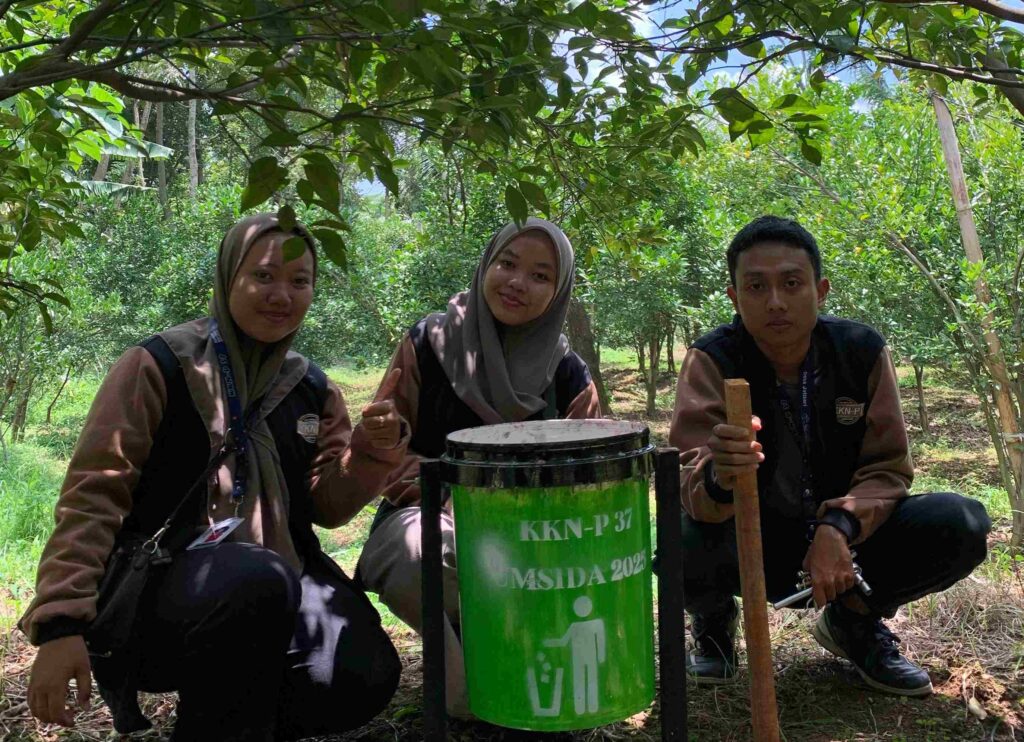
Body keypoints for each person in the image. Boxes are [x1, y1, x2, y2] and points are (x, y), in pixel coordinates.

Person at [20, 214, 409, 741]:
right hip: (162, 591)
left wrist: (368, 451)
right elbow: (94, 495)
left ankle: (231, 719)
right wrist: (61, 624)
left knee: (360, 675)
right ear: (229, 279)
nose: (282, 295)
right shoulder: (160, 366)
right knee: (254, 579)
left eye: (300, 282)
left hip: (275, 579)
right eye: (264, 276)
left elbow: (326, 508)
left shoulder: (311, 388)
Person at [670, 215, 991, 696]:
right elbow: (688, 475)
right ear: (735, 298)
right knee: (675, 535)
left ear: (820, 291)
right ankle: (714, 622)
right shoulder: (714, 358)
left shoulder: (860, 351)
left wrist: (838, 525)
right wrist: (720, 474)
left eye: (792, 283)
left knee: (960, 523)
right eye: (756, 286)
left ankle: (853, 621)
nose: (775, 301)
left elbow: (888, 468)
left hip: (848, 546)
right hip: (751, 542)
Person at [356, 218, 603, 712]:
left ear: (559, 292)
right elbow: (386, 451)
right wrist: (447, 493)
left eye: (540, 275)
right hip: (430, 515)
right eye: (507, 264)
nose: (517, 283)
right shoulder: (429, 344)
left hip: (536, 531)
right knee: (417, 558)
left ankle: (519, 670)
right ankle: (470, 688)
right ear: (485, 265)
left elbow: (590, 475)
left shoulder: (567, 372)